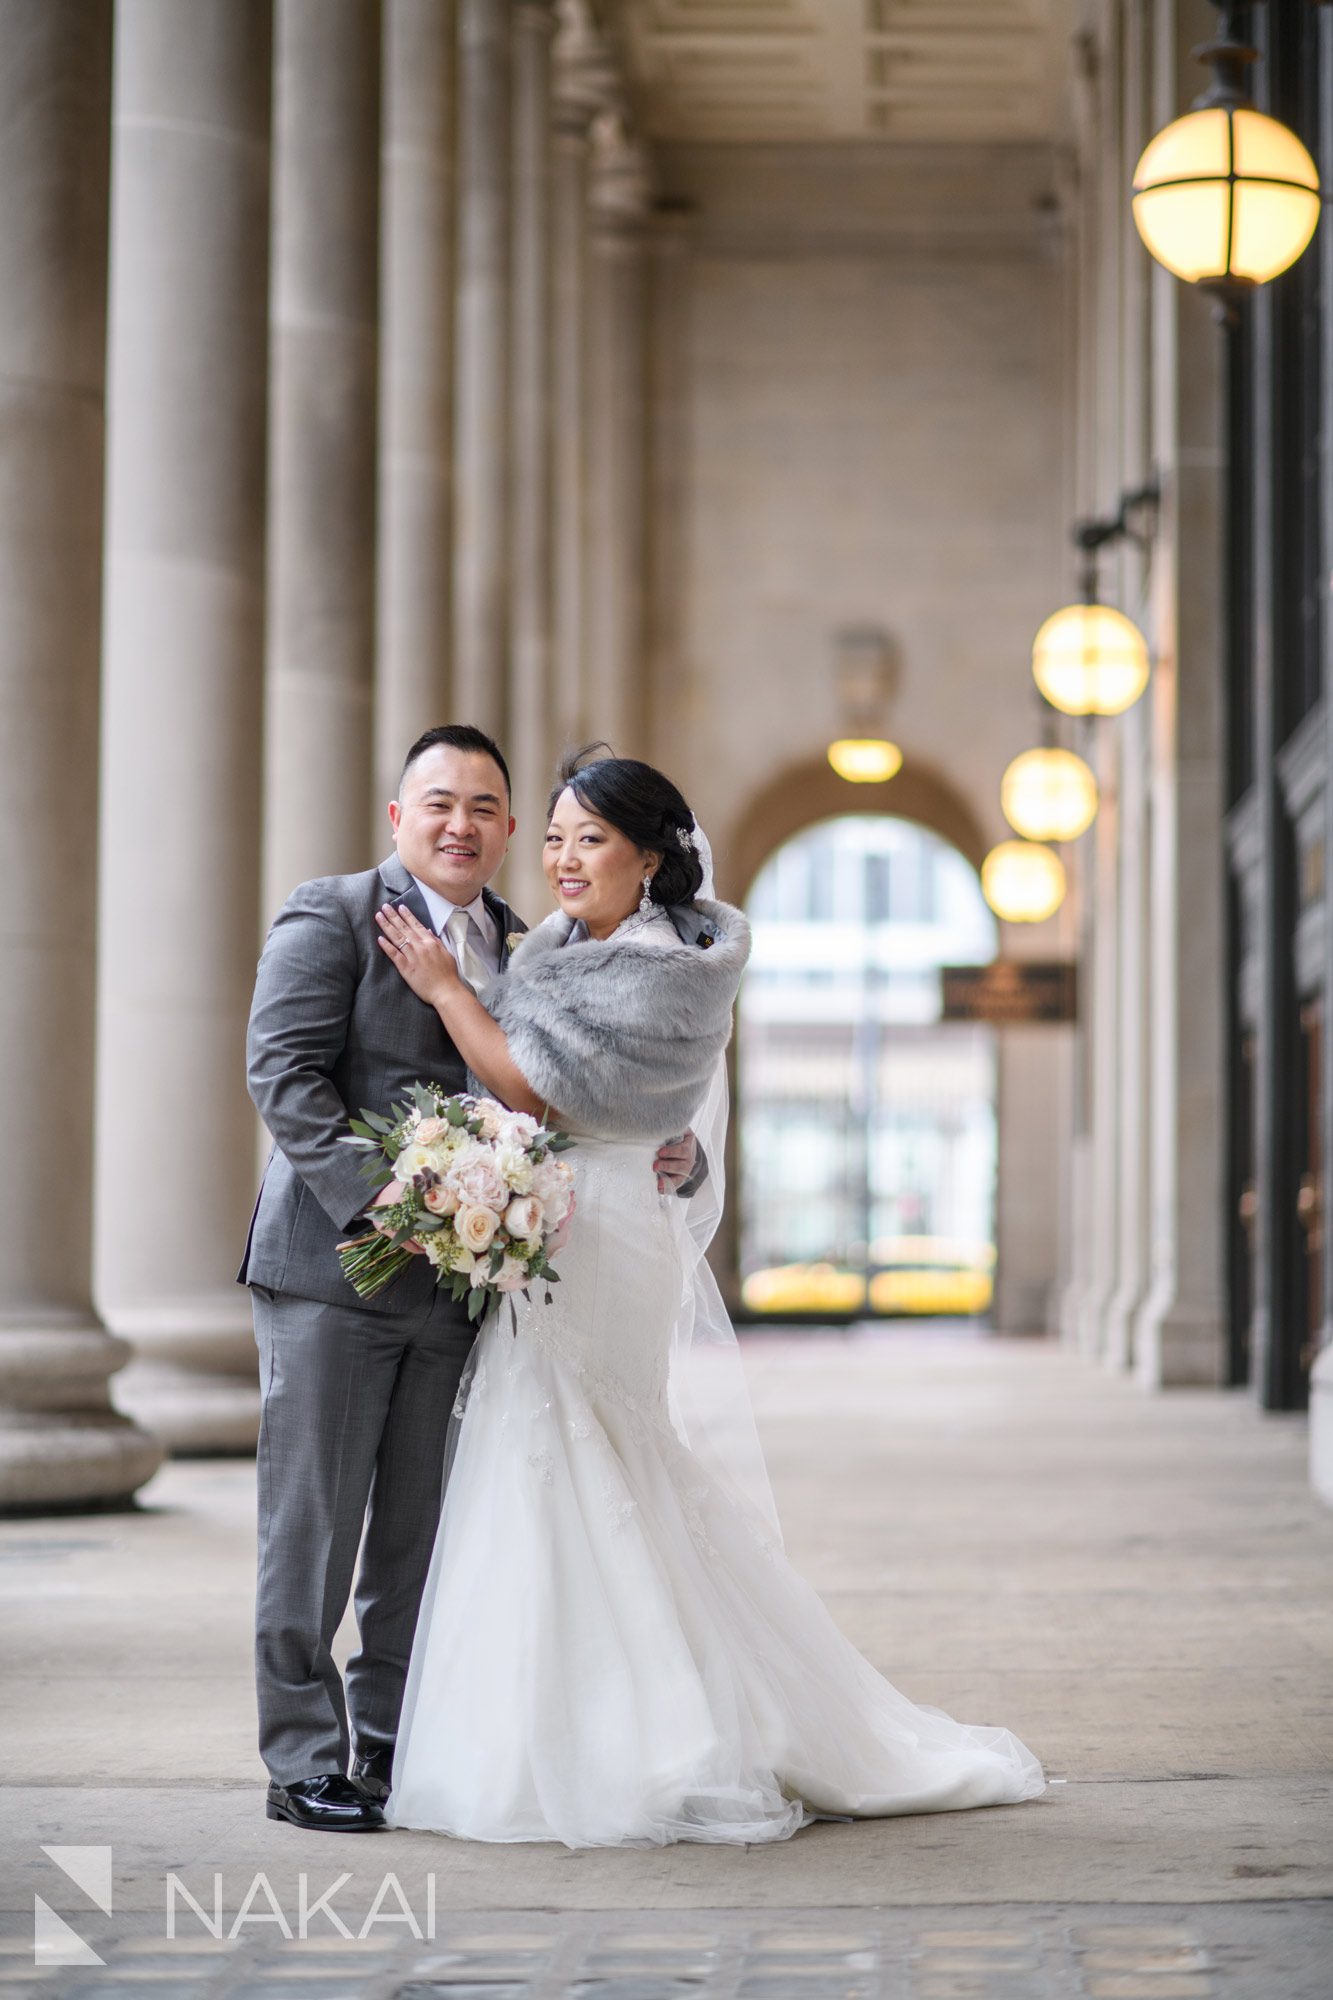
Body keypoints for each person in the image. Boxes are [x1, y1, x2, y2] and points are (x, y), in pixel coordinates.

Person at [374, 751, 1046, 1847]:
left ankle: (659, 1733)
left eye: (590, 838)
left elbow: (542, 1087)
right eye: (552, 836)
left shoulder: (662, 964)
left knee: (589, 1448)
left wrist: (447, 989)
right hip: (558, 1216)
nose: (563, 857)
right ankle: (566, 1720)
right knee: (550, 1453)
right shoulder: (554, 947)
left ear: (649, 856)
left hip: (605, 1231)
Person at [241, 725, 697, 1833]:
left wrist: (682, 1148)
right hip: (335, 1273)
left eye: (485, 806)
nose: (462, 823)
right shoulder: (333, 910)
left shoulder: (525, 939)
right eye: (437, 802)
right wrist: (391, 1203)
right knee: (312, 1530)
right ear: (399, 817)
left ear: (503, 830)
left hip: (468, 1289)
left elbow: (600, 1083)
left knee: (417, 1536)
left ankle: (392, 1745)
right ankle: (304, 1757)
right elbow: (283, 1071)